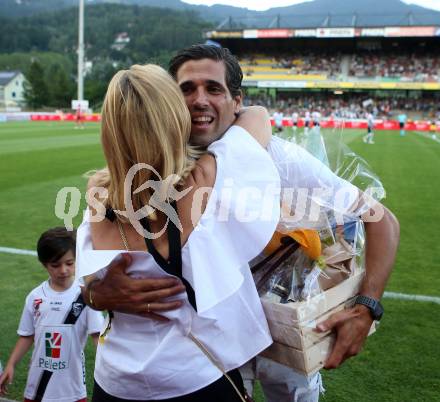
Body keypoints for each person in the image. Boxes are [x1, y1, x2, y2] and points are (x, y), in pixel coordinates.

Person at [84, 45, 399, 402]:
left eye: (213, 89)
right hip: (208, 359)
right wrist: (95, 293)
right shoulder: (146, 172)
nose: (199, 99)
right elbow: (92, 265)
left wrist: (367, 307)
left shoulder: (278, 157)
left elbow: (381, 219)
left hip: (283, 336)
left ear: (237, 102)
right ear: (169, 104)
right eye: (186, 89)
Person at [77, 63, 280, 401]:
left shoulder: (98, 198)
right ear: (175, 119)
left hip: (113, 381)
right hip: (195, 376)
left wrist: (95, 295)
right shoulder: (205, 177)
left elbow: (88, 284)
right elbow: (257, 116)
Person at [0, 227, 104, 402]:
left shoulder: (85, 296)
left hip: (72, 389)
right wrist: (11, 364)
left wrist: (110, 369)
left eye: (69, 263)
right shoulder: (35, 297)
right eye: (55, 265)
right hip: (37, 388)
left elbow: (97, 337)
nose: (63, 270)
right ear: (44, 264)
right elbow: (27, 336)